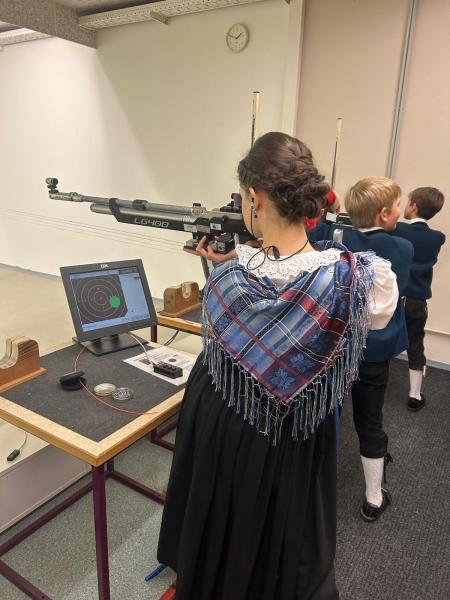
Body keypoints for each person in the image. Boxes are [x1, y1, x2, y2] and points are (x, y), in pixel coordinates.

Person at [157, 134, 398, 599]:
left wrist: (230, 259)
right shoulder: (351, 277)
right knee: (279, 537)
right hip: (290, 432)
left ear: (254, 197)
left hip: (218, 417)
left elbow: (250, 290)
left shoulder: (229, 275)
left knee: (216, 521)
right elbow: (378, 315)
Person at [336, 177, 413, 521]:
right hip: (374, 351)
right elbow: (403, 287)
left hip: (337, 347)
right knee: (369, 418)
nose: (400, 211)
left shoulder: (336, 239)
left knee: (330, 414)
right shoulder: (403, 248)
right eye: (397, 206)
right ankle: (373, 498)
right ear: (383, 214)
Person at [391, 187, 446, 411]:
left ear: (413, 206)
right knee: (415, 345)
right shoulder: (438, 238)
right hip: (416, 302)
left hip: (393, 298)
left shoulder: (397, 229)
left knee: (377, 337)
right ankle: (415, 395)